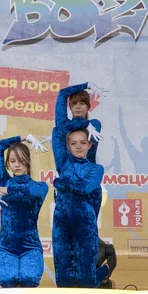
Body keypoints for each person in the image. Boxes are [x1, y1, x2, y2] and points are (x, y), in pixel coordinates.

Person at [52, 120, 110, 287]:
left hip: (85, 223)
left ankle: (105, 269)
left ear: (90, 145)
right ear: (68, 146)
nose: (78, 147)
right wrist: (83, 122)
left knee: (86, 280)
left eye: (83, 143)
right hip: (61, 223)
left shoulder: (96, 168)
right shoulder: (63, 163)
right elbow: (57, 132)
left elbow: (85, 188)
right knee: (63, 280)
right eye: (74, 143)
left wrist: (62, 184)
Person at [0, 135, 48, 287]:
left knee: (29, 278)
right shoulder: (3, 180)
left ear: (28, 161)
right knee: (8, 280)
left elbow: (32, 192)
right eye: (13, 161)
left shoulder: (39, 186)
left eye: (21, 160)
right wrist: (23, 137)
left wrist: (6, 190)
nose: (17, 165)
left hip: (30, 247)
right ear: (8, 163)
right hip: (7, 248)